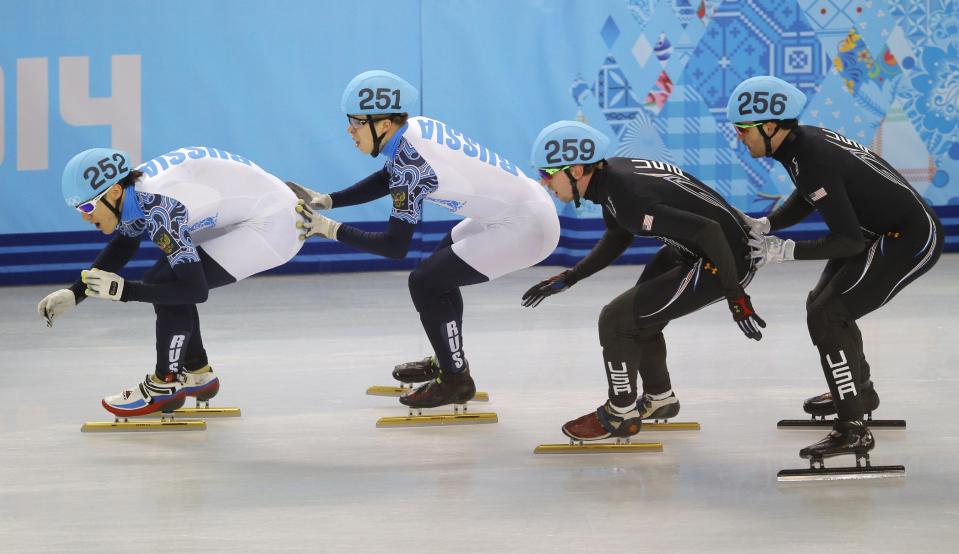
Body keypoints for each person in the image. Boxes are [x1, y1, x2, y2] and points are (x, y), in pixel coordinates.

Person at [289, 70, 560, 409]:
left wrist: (327, 228)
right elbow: (389, 176)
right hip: (516, 210)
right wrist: (329, 200)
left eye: (356, 122)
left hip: (526, 226)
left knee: (425, 282)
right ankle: (451, 362)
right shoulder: (412, 130)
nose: (349, 130)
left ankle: (455, 380)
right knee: (440, 270)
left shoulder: (411, 162)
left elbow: (394, 246)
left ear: (384, 124)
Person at [726, 75, 944, 461]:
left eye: (743, 129)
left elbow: (848, 242)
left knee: (830, 314)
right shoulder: (800, 146)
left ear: (770, 126)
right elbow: (807, 195)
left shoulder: (812, 157)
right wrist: (770, 224)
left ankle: (852, 428)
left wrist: (784, 251)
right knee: (819, 305)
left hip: (909, 237)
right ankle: (858, 392)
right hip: (879, 231)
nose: (739, 137)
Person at [522, 120, 764, 442]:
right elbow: (618, 235)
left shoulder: (627, 195)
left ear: (576, 170)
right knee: (639, 319)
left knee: (615, 319)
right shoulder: (610, 181)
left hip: (723, 258)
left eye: (548, 173)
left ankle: (620, 414)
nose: (545, 182)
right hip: (694, 249)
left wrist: (736, 297)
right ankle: (660, 399)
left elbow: (709, 230)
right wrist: (571, 277)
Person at [38, 146, 302, 417]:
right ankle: (197, 372)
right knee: (163, 278)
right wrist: (76, 293)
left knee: (165, 279)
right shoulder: (134, 193)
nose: (84, 216)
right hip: (256, 206)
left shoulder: (159, 205)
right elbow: (124, 245)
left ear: (114, 192)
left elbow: (195, 290)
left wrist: (123, 291)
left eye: (87, 206)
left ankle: (166, 384)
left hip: (275, 223)